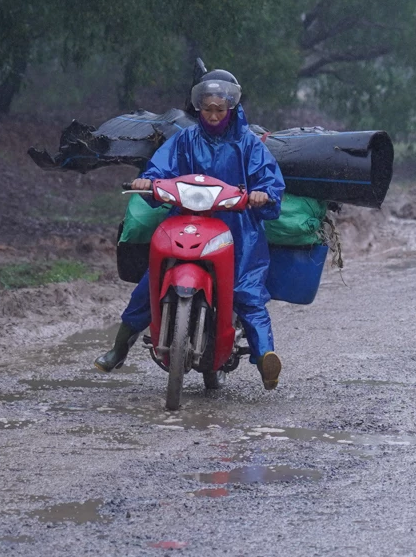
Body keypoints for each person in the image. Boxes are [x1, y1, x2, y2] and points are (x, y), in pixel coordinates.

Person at [96, 70, 288, 389]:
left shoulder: (249, 144)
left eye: (219, 109)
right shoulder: (184, 139)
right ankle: (119, 348)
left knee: (247, 293)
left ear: (231, 108)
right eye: (207, 109)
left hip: (237, 231)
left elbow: (270, 183)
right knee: (149, 284)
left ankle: (265, 358)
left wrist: (261, 193)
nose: (213, 115)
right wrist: (149, 180)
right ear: (199, 107)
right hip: (186, 221)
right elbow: (160, 167)